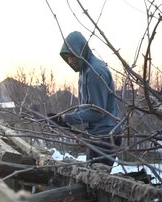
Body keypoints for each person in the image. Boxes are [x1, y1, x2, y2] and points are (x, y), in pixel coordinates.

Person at [50, 31, 121, 167]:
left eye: (72, 55)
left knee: (96, 181)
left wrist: (67, 118)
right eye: (67, 57)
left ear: (81, 51)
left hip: (106, 138)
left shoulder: (95, 72)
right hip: (97, 136)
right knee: (91, 178)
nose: (70, 61)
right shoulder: (85, 70)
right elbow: (87, 106)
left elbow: (97, 112)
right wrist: (67, 120)